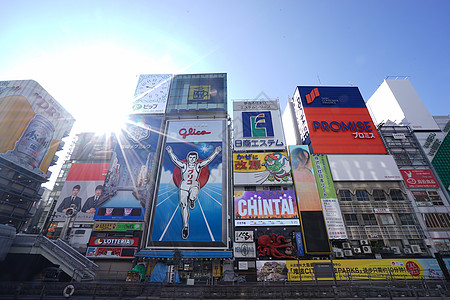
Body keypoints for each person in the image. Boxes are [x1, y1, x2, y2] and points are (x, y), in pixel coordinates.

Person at [166, 145, 222, 239]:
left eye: (194, 158)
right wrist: (170, 152)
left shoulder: (198, 165)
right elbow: (175, 160)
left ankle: (192, 200)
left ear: (196, 159)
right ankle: (185, 226)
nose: (192, 159)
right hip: (183, 186)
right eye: (190, 157)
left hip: (194, 185)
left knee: (192, 197)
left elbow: (208, 161)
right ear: (188, 158)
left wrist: (216, 152)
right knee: (184, 206)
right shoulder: (184, 165)